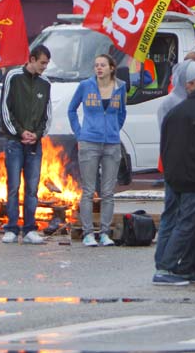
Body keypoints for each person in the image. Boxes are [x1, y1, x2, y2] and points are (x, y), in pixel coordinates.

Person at [153, 77, 195, 285]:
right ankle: (168, 267)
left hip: (173, 174)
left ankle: (180, 266)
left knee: (172, 218)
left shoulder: (174, 111)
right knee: (189, 223)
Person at [68, 53, 126, 248]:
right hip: (89, 142)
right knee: (88, 190)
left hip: (112, 143)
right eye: (96, 65)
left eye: (102, 65)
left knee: (108, 191)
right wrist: (79, 132)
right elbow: (72, 109)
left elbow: (121, 113)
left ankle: (105, 233)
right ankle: (87, 233)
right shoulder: (86, 86)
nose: (99, 68)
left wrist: (114, 130)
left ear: (111, 68)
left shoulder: (120, 87)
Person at [0, 45, 52, 245]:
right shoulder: (13, 76)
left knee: (32, 188)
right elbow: (6, 108)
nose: (44, 67)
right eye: (42, 63)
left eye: (46, 63)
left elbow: (47, 114)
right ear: (31, 59)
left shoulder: (45, 83)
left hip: (34, 144)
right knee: (13, 186)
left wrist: (37, 135)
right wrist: (20, 132)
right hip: (15, 142)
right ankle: (11, 228)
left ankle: (30, 228)